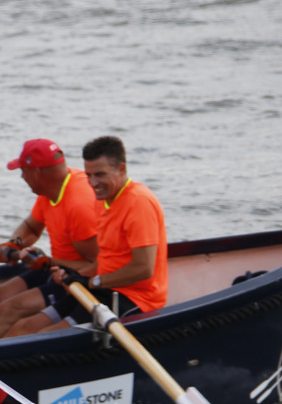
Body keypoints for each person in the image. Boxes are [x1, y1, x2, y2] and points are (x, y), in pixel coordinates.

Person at [0, 139, 99, 345]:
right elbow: (31, 227)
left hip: (76, 279)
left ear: (36, 173)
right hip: (55, 266)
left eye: (23, 171)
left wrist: (50, 263)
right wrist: (13, 245)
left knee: (9, 309)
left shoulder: (79, 206)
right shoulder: (51, 190)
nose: (22, 176)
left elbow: (95, 265)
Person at [9, 135, 168, 336]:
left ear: (121, 169)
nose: (93, 183)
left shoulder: (139, 202)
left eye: (100, 175)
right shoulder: (102, 199)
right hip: (102, 289)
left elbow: (144, 269)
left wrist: (94, 282)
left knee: (44, 336)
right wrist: (76, 275)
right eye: (88, 175)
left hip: (134, 299)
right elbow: (106, 259)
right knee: (23, 328)